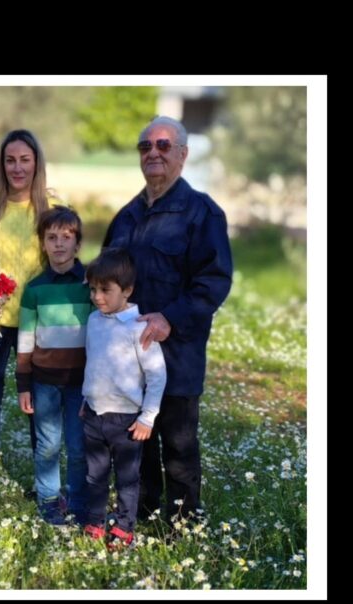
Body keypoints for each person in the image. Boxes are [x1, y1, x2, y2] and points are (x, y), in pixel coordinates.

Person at [103, 116, 233, 522]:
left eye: (163, 145)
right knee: (136, 444)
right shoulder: (125, 217)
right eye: (146, 146)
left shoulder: (203, 214)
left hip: (178, 354)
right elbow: (105, 280)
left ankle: (182, 525)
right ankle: (138, 517)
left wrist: (170, 319)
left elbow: (213, 282)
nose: (153, 152)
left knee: (178, 446)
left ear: (182, 154)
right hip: (129, 358)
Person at [0, 129, 60, 502]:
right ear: (1, 165)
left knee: (40, 404)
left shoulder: (50, 207)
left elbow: (64, 258)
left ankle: (46, 484)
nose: (17, 167)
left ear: (36, 163)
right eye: (10, 160)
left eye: (25, 159)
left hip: (37, 327)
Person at [81, 248, 166, 548]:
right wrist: (85, 400)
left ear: (127, 290)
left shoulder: (139, 327)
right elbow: (94, 364)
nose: (97, 297)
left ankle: (124, 526)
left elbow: (157, 375)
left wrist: (147, 417)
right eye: (93, 289)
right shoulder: (94, 321)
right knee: (95, 475)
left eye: (105, 290)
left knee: (127, 479)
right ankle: (94, 521)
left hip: (126, 420)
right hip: (93, 415)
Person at [15, 206, 89, 525]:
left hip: (81, 381)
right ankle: (48, 499)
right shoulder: (34, 289)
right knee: (47, 443)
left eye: (66, 237)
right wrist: (23, 383)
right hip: (44, 381)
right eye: (51, 238)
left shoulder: (91, 284)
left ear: (77, 244)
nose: (59, 244)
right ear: (43, 244)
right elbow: (25, 341)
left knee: (77, 443)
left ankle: (77, 498)